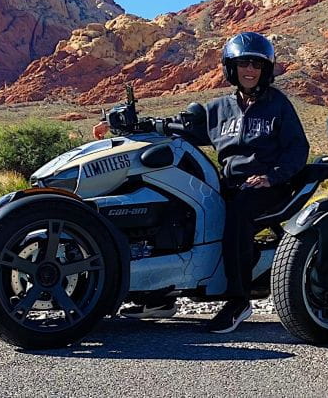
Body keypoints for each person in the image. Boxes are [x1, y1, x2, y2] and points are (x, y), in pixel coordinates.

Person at [101, 32, 309, 333]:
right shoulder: (219, 109)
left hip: (268, 185)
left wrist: (272, 176)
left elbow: (298, 149)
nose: (250, 71)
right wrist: (133, 125)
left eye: (257, 65)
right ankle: (159, 295)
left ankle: (238, 300)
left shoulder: (278, 105)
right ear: (231, 68)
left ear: (266, 70)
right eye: (243, 64)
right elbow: (181, 128)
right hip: (230, 182)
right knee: (177, 208)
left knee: (236, 214)